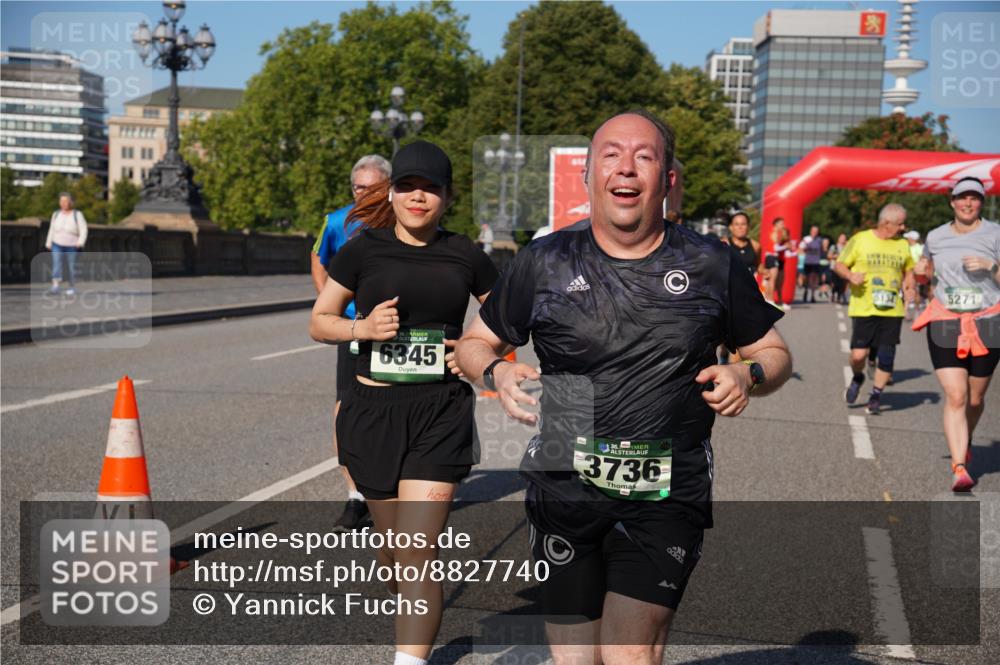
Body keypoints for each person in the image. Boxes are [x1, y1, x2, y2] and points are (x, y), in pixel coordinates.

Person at [455, 110, 792, 665]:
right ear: (588, 173)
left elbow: (774, 353)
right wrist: (495, 371)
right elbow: (474, 343)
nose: (626, 168)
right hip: (563, 472)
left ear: (668, 178)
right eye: (611, 154)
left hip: (665, 485)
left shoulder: (711, 263)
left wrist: (746, 374)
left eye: (644, 155)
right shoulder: (543, 261)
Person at [309, 140, 498, 665]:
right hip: (372, 413)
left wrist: (475, 349)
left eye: (431, 188)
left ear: (448, 196)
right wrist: (363, 327)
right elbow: (319, 321)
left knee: (417, 555)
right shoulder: (362, 249)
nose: (419, 196)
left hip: (440, 413)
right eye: (408, 186)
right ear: (391, 194)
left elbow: (505, 319)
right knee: (396, 557)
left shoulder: (466, 254)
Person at [311, 154, 391, 533]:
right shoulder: (335, 221)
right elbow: (318, 259)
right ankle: (356, 496)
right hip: (356, 328)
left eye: (373, 188)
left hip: (398, 328)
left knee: (396, 406)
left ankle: (391, 488)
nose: (365, 194)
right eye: (359, 187)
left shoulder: (402, 216)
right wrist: (333, 311)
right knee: (347, 406)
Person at [912, 177, 1000, 492]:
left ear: (981, 202)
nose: (967, 203)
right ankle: (959, 466)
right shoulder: (935, 236)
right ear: (952, 201)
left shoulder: (995, 233)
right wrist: (921, 273)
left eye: (974, 198)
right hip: (946, 319)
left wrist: (992, 267)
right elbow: (925, 271)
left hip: (988, 320)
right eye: (962, 197)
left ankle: (967, 436)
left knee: (975, 399)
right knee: (956, 395)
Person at [835, 203, 915, 415]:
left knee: (887, 356)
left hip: (892, 310)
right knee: (858, 356)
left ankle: (876, 396)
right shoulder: (861, 239)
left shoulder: (903, 245)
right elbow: (839, 264)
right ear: (886, 223)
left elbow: (908, 271)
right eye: (900, 223)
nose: (903, 227)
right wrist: (851, 276)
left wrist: (910, 287)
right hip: (864, 308)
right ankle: (858, 377)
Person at [44, 192, 88, 296]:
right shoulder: (56, 214)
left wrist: (80, 242)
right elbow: (52, 229)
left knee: (71, 266)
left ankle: (72, 287)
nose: (63, 203)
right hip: (57, 243)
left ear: (71, 202)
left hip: (72, 245)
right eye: (61, 201)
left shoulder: (77, 214)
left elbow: (83, 229)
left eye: (66, 201)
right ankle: (55, 286)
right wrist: (48, 242)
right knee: (56, 264)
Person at [722, 210, 759, 276]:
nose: (740, 227)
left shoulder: (755, 245)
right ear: (731, 227)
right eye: (736, 224)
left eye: (743, 224)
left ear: (748, 227)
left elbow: (758, 266)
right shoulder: (723, 244)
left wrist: (766, 271)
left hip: (749, 284)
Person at [799, 225, 828, 303]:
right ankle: (805, 291)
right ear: (811, 231)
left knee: (814, 279)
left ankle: (812, 295)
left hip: (816, 262)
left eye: (816, 231)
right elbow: (801, 248)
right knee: (807, 278)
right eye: (813, 231)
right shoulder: (806, 239)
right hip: (808, 262)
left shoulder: (819, 240)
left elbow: (822, 249)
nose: (815, 233)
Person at [903, 229, 926, 319]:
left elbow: (922, 260)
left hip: (915, 273)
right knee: (906, 289)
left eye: (908, 238)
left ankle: (917, 310)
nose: (907, 239)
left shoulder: (918, 248)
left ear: (912, 238)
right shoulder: (906, 247)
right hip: (906, 272)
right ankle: (905, 311)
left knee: (915, 292)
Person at [828, 233, 849, 304]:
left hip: (843, 268)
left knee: (841, 283)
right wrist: (836, 256)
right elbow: (829, 256)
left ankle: (839, 297)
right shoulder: (834, 247)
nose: (843, 239)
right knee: (835, 283)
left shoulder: (847, 247)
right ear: (838, 239)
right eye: (841, 238)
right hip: (834, 267)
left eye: (844, 238)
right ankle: (833, 294)